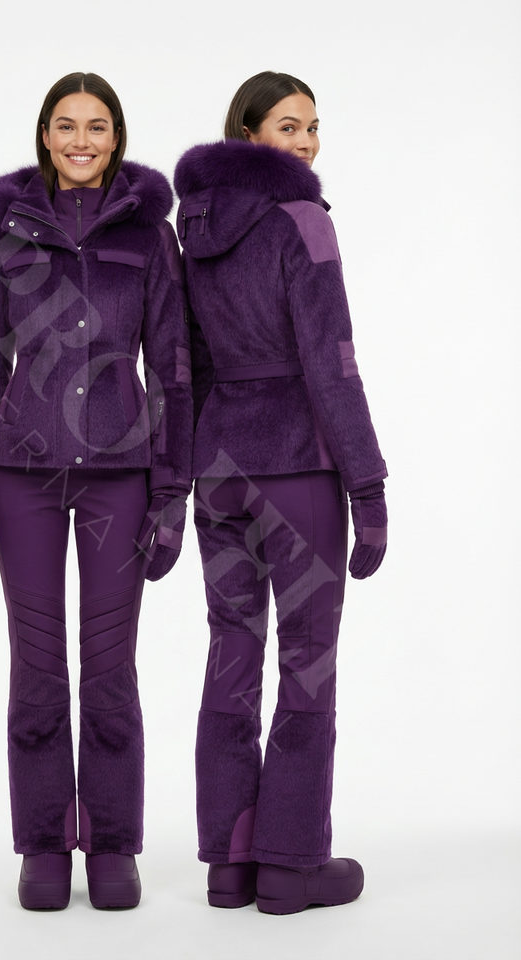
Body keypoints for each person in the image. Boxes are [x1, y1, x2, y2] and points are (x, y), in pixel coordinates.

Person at [0, 72, 192, 910]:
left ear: (115, 137)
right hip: (21, 476)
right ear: (45, 135)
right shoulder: (8, 235)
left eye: (95, 125)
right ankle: (44, 842)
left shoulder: (150, 236)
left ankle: (114, 843)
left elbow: (173, 370)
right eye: (65, 125)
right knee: (37, 668)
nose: (80, 139)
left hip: (120, 479)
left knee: (110, 668)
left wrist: (172, 492)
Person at [174, 71, 388, 915]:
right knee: (307, 663)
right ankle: (291, 866)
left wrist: (181, 474)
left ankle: (230, 863)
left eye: (312, 127)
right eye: (289, 127)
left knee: (230, 655)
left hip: (218, 471)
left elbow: (188, 364)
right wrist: (366, 485)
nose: (305, 143)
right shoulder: (301, 219)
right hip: (298, 467)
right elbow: (331, 360)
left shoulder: (194, 225)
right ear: (249, 133)